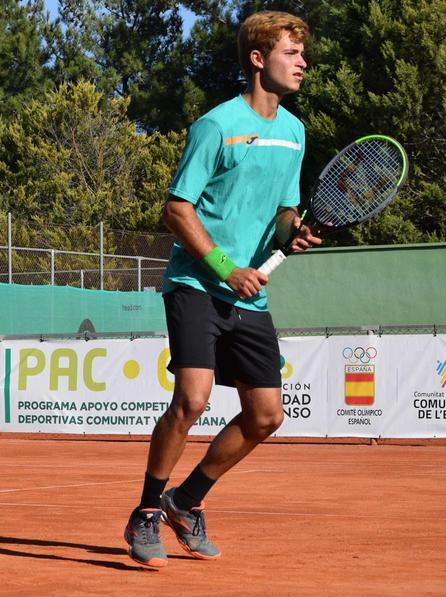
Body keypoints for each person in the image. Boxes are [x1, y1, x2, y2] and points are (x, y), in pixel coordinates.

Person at [124, 11, 321, 568]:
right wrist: (225, 265)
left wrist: (294, 234)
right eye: (291, 52)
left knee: (266, 415)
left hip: (249, 297)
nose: (302, 62)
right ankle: (144, 514)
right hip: (195, 283)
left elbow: (283, 213)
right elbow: (176, 209)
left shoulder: (294, 131)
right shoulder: (217, 126)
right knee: (193, 397)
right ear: (258, 60)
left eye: (302, 54)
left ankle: (186, 502)